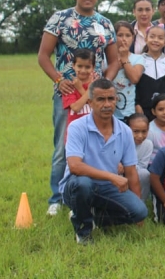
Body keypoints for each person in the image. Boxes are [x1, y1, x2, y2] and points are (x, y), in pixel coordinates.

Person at [38, 0, 118, 216]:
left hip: (96, 98)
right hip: (69, 95)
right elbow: (43, 56)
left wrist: (104, 85)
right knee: (64, 145)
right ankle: (56, 198)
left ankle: (92, 193)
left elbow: (114, 61)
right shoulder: (60, 18)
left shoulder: (105, 23)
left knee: (96, 145)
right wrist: (59, 80)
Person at [60, 78, 148, 245]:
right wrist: (112, 176)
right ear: (91, 102)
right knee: (83, 184)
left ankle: (92, 216)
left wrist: (138, 208)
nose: (107, 104)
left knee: (140, 211)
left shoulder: (125, 131)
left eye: (111, 99)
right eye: (101, 99)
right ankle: (83, 232)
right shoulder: (77, 127)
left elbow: (131, 172)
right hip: (76, 186)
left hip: (106, 189)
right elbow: (75, 166)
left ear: (116, 100)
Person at [135, 26, 165, 122]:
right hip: (143, 112)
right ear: (146, 39)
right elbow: (134, 86)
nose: (156, 40)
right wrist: (137, 105)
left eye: (160, 38)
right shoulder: (137, 61)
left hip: (164, 114)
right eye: (152, 36)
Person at [112, 21, 144, 121]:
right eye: (120, 35)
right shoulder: (107, 57)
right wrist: (116, 66)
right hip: (109, 112)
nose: (124, 39)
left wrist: (125, 59)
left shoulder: (138, 58)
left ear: (133, 38)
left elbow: (134, 79)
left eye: (128, 35)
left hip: (128, 113)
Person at [62, 48, 95, 132]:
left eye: (87, 67)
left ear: (93, 67)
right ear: (73, 66)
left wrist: (82, 89)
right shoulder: (69, 87)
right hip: (75, 133)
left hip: (94, 131)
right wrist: (88, 91)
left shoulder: (98, 86)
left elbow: (96, 106)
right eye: (79, 66)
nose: (83, 70)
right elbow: (76, 107)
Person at [126, 113, 152, 201]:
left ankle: (141, 202)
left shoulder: (148, 144)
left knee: (145, 173)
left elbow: (142, 166)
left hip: (134, 172)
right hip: (118, 173)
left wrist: (128, 167)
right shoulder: (121, 141)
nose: (140, 136)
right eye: (136, 131)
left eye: (144, 131)